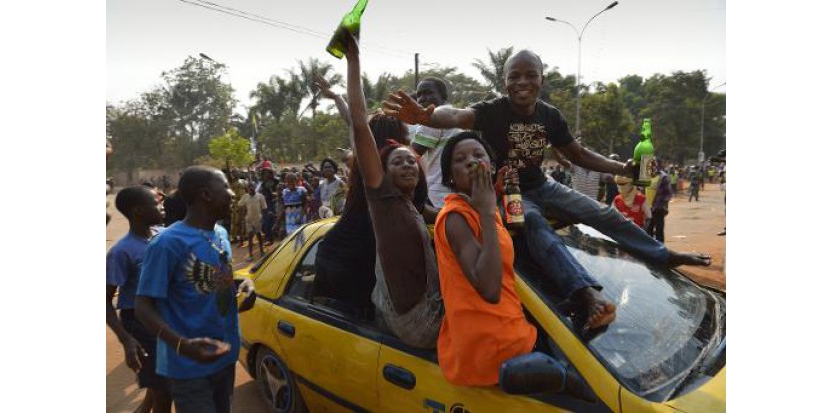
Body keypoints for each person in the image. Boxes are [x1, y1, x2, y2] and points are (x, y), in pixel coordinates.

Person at [383, 48, 710, 272]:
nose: (521, 82)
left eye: (529, 75)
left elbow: (577, 154)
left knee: (601, 213)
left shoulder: (550, 116)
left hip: (542, 185)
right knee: (537, 229)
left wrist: (621, 168)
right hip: (508, 193)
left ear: (541, 79)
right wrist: (428, 116)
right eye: (514, 76)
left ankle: (663, 254)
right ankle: (582, 290)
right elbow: (454, 114)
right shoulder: (492, 111)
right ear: (505, 82)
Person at [343, 32, 442, 348]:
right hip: (418, 320)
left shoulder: (410, 203)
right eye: (397, 162)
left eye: (411, 161)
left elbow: (441, 216)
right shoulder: (382, 198)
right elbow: (359, 125)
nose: (409, 165)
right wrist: (354, 60)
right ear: (380, 173)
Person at [135, 166, 256, 413]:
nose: (232, 193)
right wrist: (182, 345)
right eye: (226, 187)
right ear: (206, 195)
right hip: (188, 366)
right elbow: (143, 306)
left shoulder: (220, 234)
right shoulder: (168, 243)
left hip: (224, 355)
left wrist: (242, 284)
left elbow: (215, 279)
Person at [310, 76, 418, 320]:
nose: (411, 147)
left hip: (336, 253)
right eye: (406, 139)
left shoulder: (363, 157)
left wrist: (336, 97)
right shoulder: (379, 170)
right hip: (350, 263)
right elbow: (355, 123)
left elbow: (352, 121)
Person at [106, 186, 171, 413]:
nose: (162, 206)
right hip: (139, 323)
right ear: (138, 211)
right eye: (156, 203)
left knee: (158, 381)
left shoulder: (164, 236)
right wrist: (126, 339)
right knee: (165, 388)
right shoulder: (122, 251)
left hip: (165, 318)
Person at [409, 77, 463, 208]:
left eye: (428, 93)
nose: (422, 98)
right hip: (455, 192)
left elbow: (411, 155)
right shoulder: (454, 115)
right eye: (419, 95)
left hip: (438, 194)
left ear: (443, 96)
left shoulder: (432, 117)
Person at [238, 183, 267, 261]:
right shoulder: (245, 197)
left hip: (258, 219)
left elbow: (264, 208)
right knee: (250, 236)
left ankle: (261, 250)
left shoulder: (260, 196)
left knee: (259, 235)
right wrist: (242, 212)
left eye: (252, 188)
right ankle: (250, 255)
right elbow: (240, 204)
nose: (250, 190)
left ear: (254, 188)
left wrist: (263, 218)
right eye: (249, 189)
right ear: (247, 189)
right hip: (249, 220)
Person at [647, 160, 672, 242]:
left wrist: (660, 204)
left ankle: (660, 250)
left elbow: (668, 194)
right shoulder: (646, 176)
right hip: (646, 208)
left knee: (659, 231)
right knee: (647, 230)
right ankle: (648, 250)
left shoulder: (663, 177)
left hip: (658, 209)